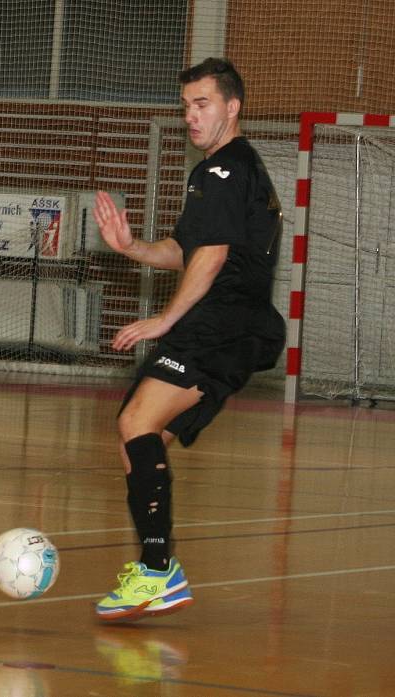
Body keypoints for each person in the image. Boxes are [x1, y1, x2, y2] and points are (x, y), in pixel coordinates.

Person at [92, 57, 285, 621]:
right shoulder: (220, 172)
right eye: (186, 106)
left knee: (134, 425)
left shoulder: (225, 168)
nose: (190, 116)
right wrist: (130, 247)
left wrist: (165, 319)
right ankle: (156, 568)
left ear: (232, 106)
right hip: (233, 327)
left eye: (202, 104)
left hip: (220, 322)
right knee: (139, 443)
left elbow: (216, 256)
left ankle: (158, 573)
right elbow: (184, 250)